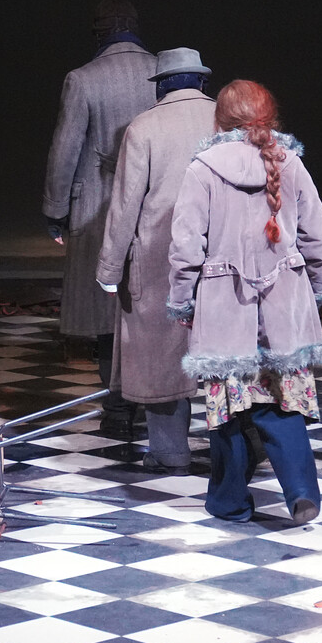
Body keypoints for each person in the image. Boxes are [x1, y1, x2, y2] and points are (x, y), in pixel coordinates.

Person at [167, 79, 322, 524]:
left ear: (219, 119)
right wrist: (316, 289)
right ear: (270, 117)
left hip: (225, 307)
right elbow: (318, 238)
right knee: (282, 400)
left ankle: (230, 501)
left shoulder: (203, 168)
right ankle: (300, 491)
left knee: (229, 407)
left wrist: (183, 302)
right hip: (284, 305)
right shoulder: (290, 162)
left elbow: (185, 248)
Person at [94, 48, 217, 473]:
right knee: (228, 352)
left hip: (159, 256)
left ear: (163, 84)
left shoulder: (144, 126)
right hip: (220, 255)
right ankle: (240, 445)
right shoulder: (227, 121)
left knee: (159, 354)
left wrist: (109, 269)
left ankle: (170, 451)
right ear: (200, 81)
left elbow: (126, 203)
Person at [42, 0, 156, 439]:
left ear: (98, 34)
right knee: (146, 307)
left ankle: (117, 407)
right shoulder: (162, 73)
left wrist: (54, 209)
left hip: (97, 203)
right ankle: (152, 402)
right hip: (152, 202)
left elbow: (65, 149)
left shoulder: (83, 79)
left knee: (105, 310)